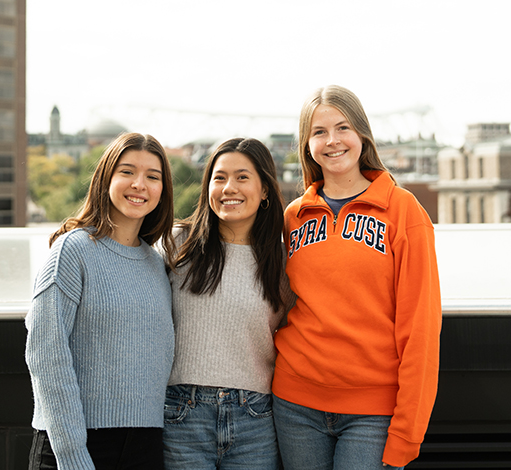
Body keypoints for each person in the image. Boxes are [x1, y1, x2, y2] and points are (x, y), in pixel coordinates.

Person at [272, 85, 442, 470]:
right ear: (306, 144)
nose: (332, 141)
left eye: (342, 127)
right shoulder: (293, 216)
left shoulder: (403, 211)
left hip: (374, 413)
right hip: (295, 405)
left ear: (362, 135)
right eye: (318, 132)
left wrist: (407, 432)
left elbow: (421, 328)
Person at [25, 132, 176, 470]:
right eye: (127, 172)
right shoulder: (72, 251)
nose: (140, 184)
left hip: (146, 447)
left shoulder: (157, 265)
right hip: (74, 447)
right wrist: (74, 455)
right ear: (105, 178)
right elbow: (46, 355)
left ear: (162, 191)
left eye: (153, 177)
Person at [162, 137, 294, 470]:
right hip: (182, 415)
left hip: (256, 417)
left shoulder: (283, 261)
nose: (229, 187)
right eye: (219, 178)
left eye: (242, 177)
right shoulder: (177, 245)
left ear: (265, 190)